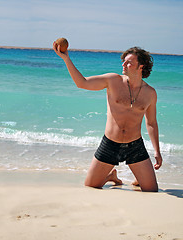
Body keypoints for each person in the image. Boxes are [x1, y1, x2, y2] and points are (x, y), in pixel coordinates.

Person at [53, 43, 163, 192]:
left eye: (129, 62)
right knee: (91, 186)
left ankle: (139, 176)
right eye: (123, 61)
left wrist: (157, 151)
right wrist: (66, 58)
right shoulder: (113, 80)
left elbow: (151, 123)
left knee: (151, 190)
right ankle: (110, 176)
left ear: (141, 66)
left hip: (135, 146)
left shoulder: (150, 93)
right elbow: (82, 83)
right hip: (110, 144)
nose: (123, 64)